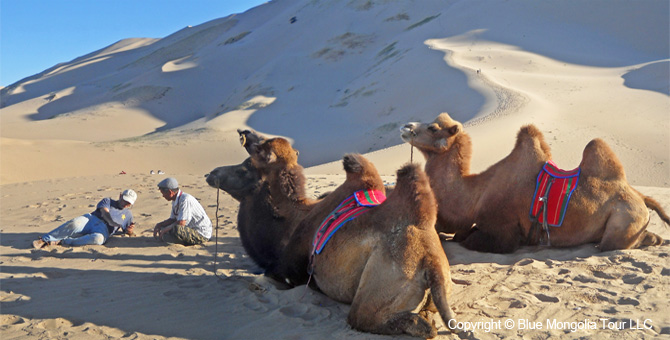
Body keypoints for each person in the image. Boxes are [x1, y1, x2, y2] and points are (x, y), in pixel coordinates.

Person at [32, 189, 137, 248]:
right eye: (125, 200)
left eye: (129, 203)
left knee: (98, 239)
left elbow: (128, 231)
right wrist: (112, 221)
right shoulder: (108, 201)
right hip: (92, 219)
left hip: (104, 230)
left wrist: (130, 230)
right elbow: (104, 212)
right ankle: (44, 239)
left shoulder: (128, 214)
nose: (126, 204)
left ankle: (64, 242)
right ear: (120, 196)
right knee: (75, 223)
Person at [153, 177, 212, 246]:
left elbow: (181, 223)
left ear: (170, 192)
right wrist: (160, 225)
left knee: (176, 230)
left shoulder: (185, 199)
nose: (163, 196)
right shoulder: (175, 200)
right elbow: (173, 219)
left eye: (163, 193)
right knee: (165, 229)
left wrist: (166, 229)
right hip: (189, 229)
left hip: (201, 233)